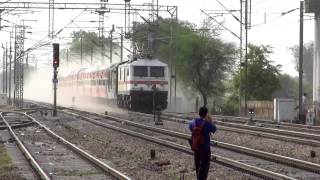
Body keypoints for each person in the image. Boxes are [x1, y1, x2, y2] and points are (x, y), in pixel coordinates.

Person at [189, 106, 217, 180]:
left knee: (198, 165)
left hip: (196, 147)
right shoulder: (207, 123)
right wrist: (210, 120)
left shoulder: (193, 122)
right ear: (206, 114)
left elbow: (190, 127)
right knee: (204, 168)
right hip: (205, 149)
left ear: (199, 113)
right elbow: (214, 129)